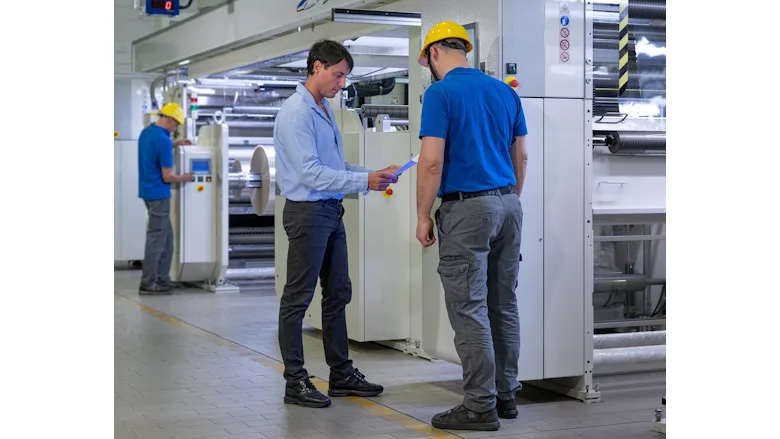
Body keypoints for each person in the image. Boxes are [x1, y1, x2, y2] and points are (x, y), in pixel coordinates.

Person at [414, 21, 529, 431]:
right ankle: (505, 394)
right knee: (503, 303)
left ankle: (479, 405)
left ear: (432, 55)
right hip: (509, 205)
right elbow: (522, 156)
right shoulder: (504, 91)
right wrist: (507, 198)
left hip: (467, 210)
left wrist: (423, 214)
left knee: (470, 308)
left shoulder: (440, 93)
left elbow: (431, 162)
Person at [273, 39, 400, 408]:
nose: (342, 83)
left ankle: (340, 374)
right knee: (297, 298)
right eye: (339, 75)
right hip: (308, 214)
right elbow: (312, 175)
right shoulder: (296, 113)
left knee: (337, 294)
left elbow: (336, 167)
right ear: (317, 67)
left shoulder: (323, 109)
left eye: (345, 77)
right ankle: (294, 380)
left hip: (330, 212)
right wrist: (364, 182)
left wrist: (373, 174)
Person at [137, 102, 193, 295]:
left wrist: (175, 144)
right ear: (169, 119)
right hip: (159, 194)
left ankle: (162, 279)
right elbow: (167, 176)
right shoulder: (163, 140)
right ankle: (148, 283)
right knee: (156, 241)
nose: (175, 128)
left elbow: (155, 152)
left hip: (148, 192)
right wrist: (186, 178)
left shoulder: (148, 133)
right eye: (175, 124)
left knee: (167, 239)